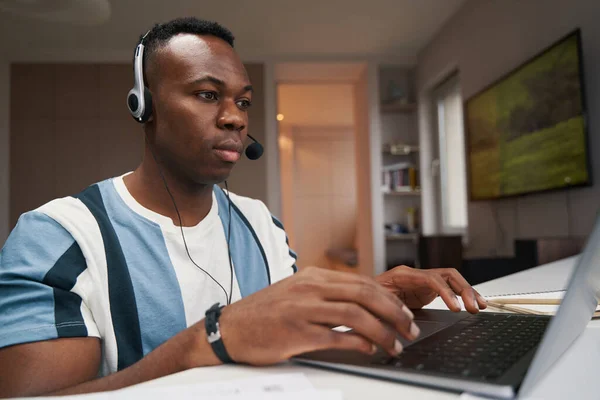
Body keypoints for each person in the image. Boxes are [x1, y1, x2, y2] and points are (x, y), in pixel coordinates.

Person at [0, 17, 487, 397]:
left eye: (243, 101)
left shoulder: (260, 223)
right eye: (208, 95)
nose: (234, 117)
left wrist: (372, 294)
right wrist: (210, 340)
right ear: (143, 107)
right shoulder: (59, 235)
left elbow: (284, 326)